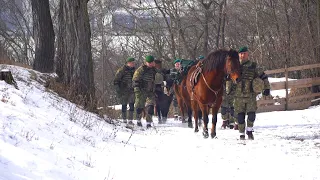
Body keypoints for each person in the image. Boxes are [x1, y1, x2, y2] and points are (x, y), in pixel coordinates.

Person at [233, 46, 271, 140]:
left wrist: (266, 88)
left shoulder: (253, 66)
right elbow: (228, 78)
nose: (243, 55)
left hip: (250, 95)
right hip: (238, 97)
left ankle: (249, 131)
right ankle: (241, 134)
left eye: (244, 53)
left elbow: (263, 76)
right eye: (241, 54)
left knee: (251, 115)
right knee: (240, 117)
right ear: (239, 55)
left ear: (247, 54)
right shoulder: (235, 66)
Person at [132, 55, 157, 128]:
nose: (150, 64)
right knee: (140, 106)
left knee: (150, 106)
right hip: (141, 91)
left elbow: (158, 77)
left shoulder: (154, 70)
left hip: (151, 91)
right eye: (149, 62)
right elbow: (135, 80)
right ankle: (138, 120)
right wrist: (137, 90)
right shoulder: (141, 70)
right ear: (146, 62)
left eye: (151, 62)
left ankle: (148, 122)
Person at [113, 57, 136, 125]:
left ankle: (130, 120)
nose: (133, 64)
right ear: (128, 63)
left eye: (134, 62)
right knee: (124, 105)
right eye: (132, 62)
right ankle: (124, 120)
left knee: (132, 105)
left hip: (132, 90)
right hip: (124, 90)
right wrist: (118, 90)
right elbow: (116, 81)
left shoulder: (134, 71)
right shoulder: (122, 70)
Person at [154, 59, 171, 124]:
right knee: (158, 104)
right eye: (157, 64)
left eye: (159, 64)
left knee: (164, 104)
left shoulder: (163, 70)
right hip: (156, 89)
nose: (158, 65)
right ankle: (159, 117)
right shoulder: (153, 71)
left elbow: (167, 78)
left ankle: (164, 116)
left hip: (163, 89)